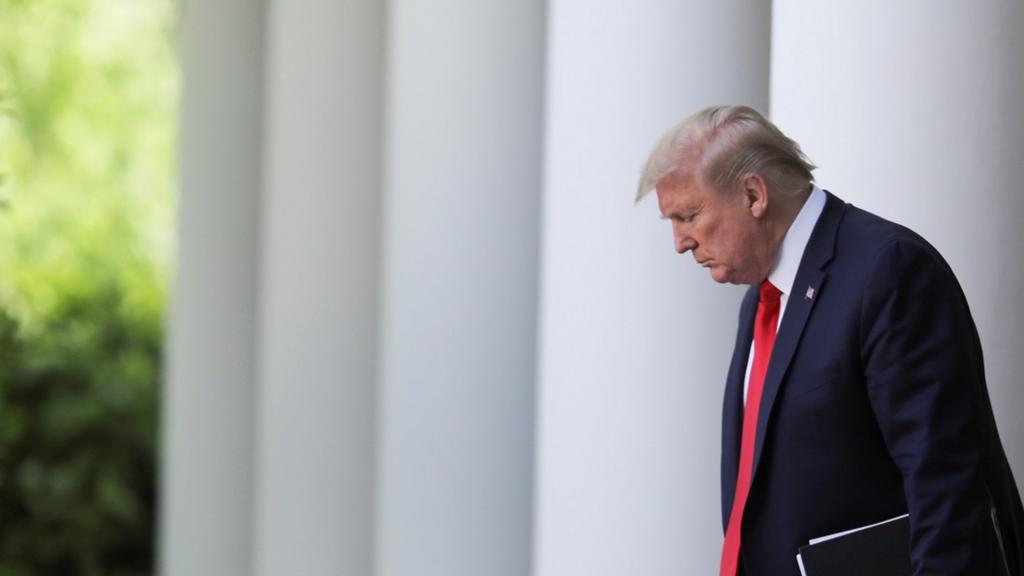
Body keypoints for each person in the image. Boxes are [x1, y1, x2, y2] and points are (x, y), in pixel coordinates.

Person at [636, 105, 1024, 575]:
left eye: (689, 215)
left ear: (754, 195)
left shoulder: (887, 271)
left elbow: (945, 484)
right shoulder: (761, 301)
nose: (681, 242)